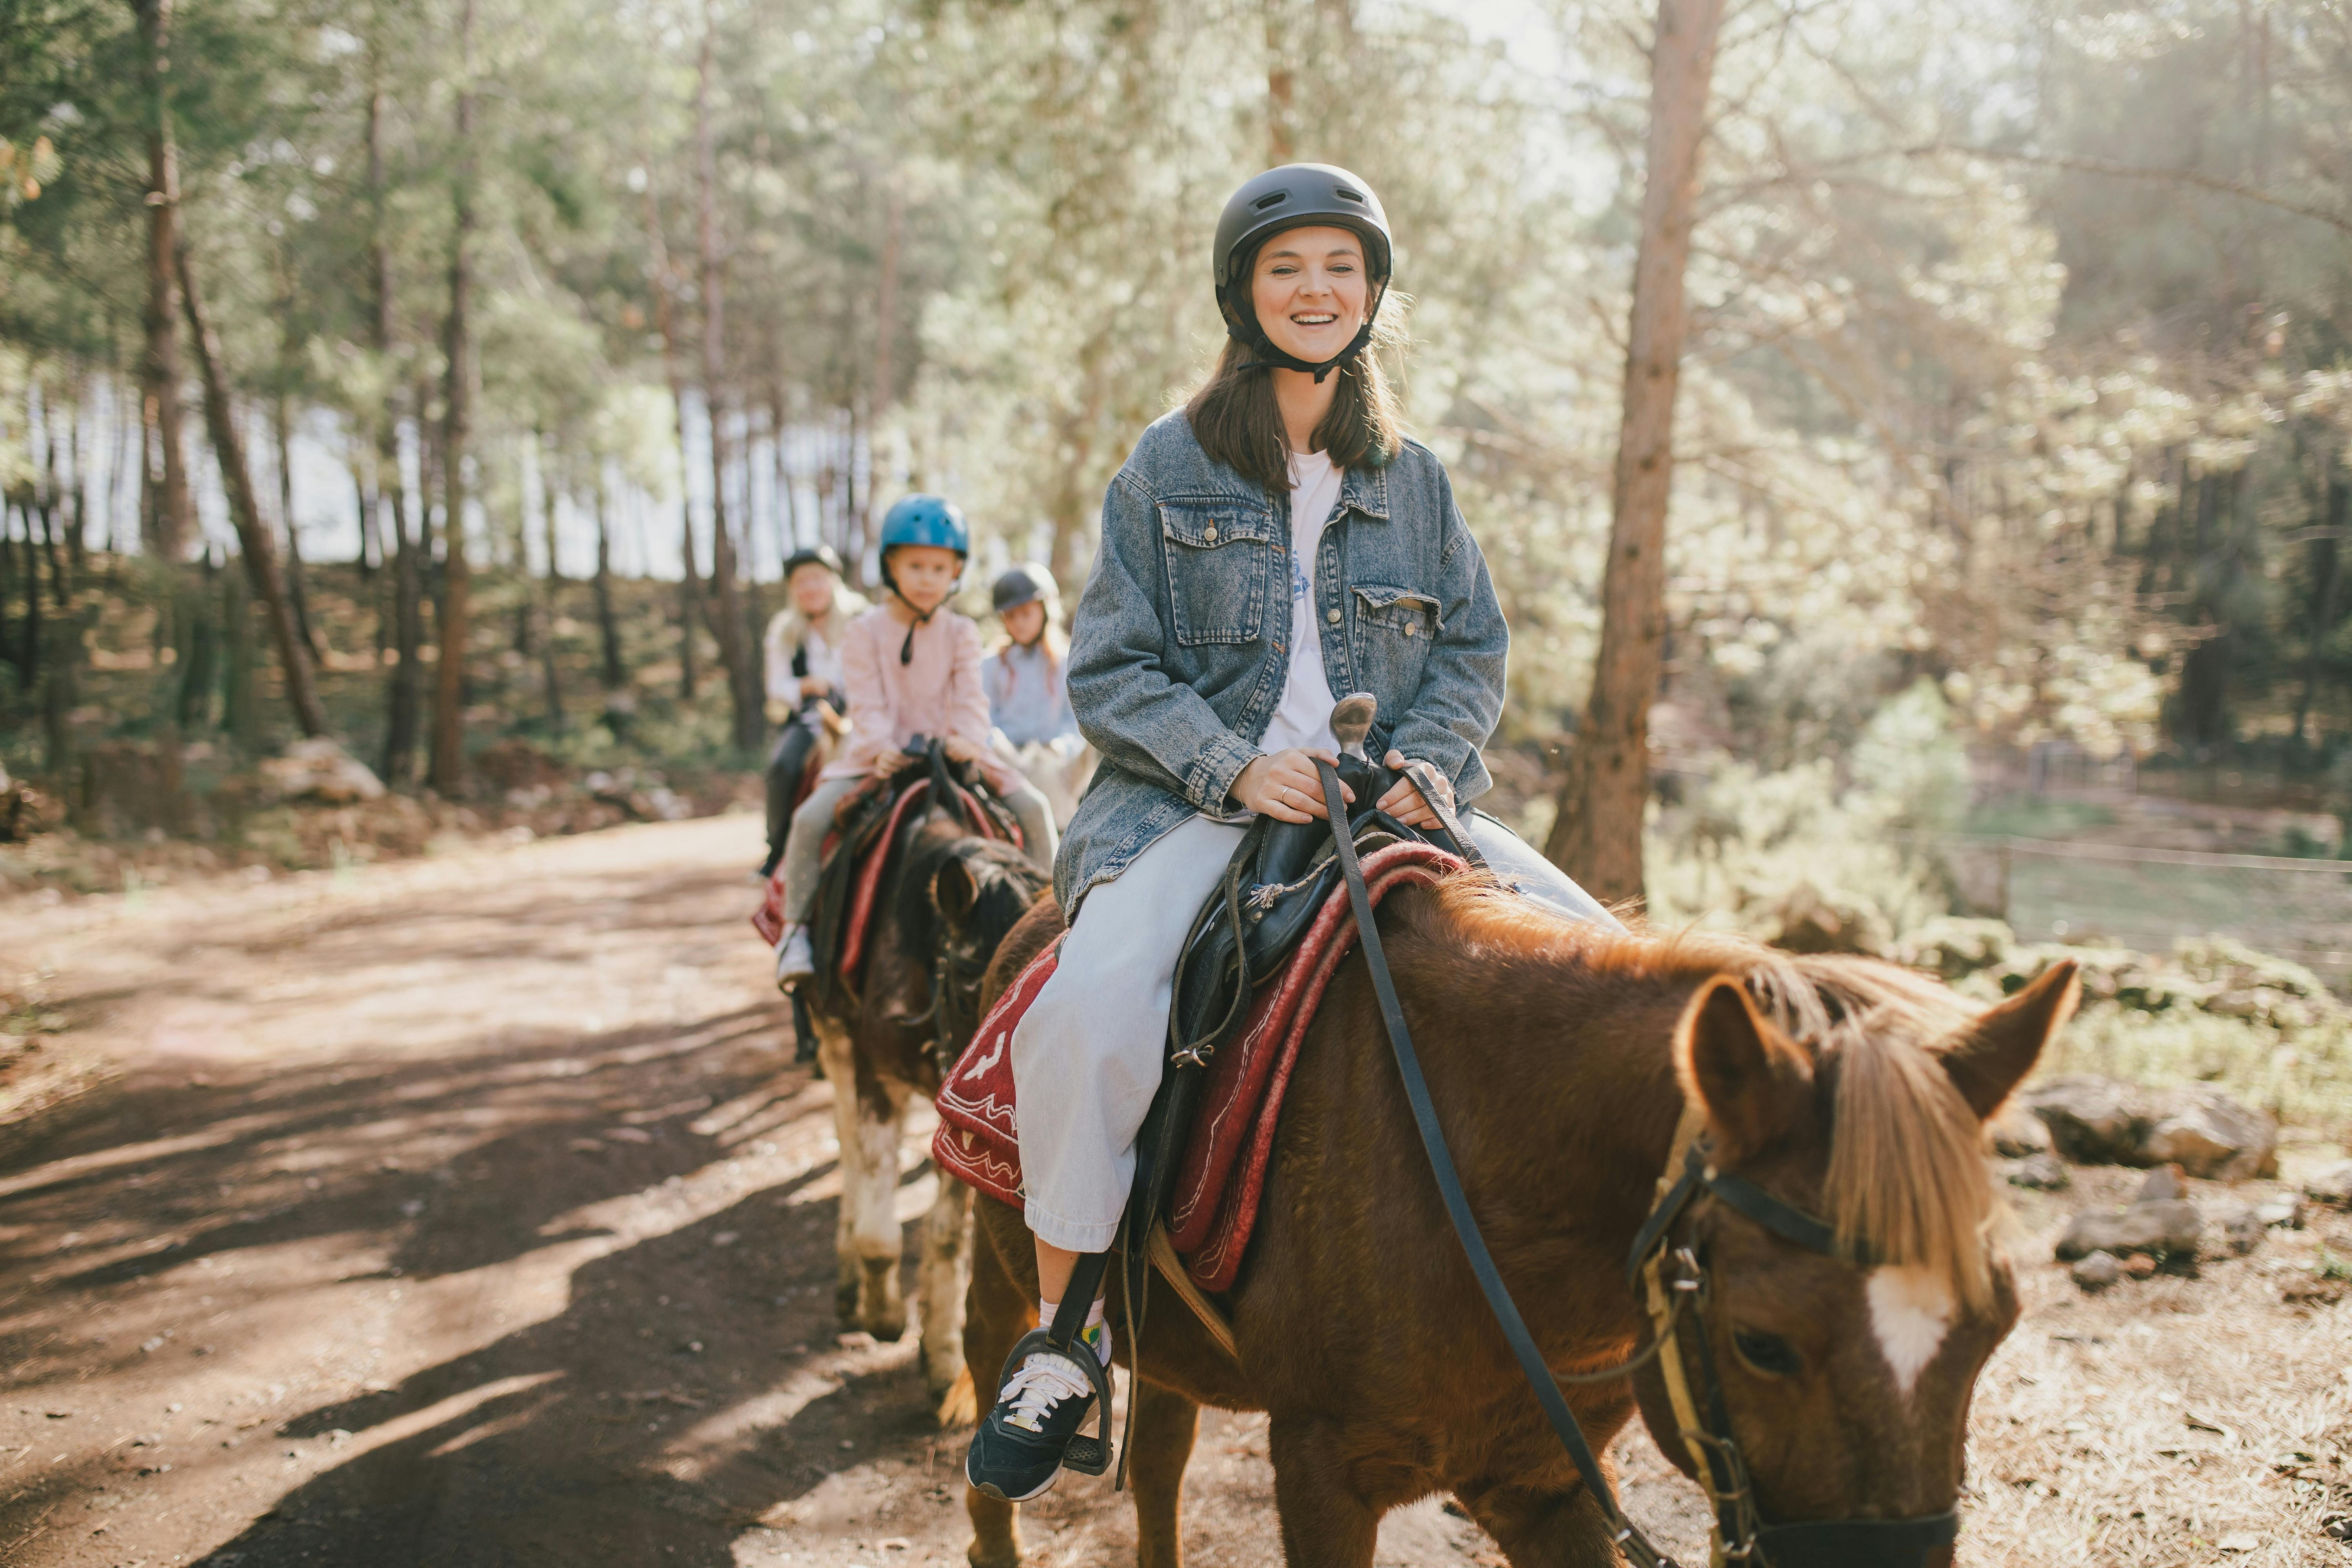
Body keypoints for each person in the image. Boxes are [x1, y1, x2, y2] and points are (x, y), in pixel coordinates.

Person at [964, 164, 1614, 1503]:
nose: (1316, 289)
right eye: (1287, 268)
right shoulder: (1168, 463)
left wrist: (1420, 769)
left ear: (1371, 294)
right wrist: (1234, 765)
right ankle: (1067, 1337)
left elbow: (1475, 653)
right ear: (1242, 294)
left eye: (1340, 267)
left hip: (1395, 803)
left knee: (1604, 964)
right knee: (1089, 1006)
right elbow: (1111, 669)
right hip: (1202, 803)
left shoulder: (1417, 482)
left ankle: (1634, 1319)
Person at [771, 495, 1059, 988]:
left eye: (940, 567)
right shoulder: (864, 631)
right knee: (809, 818)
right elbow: (865, 701)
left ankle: (1054, 924)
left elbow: (971, 696)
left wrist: (968, 738)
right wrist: (881, 745)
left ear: (956, 573)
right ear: (891, 566)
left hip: (952, 754)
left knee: (1033, 808)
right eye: (916, 566)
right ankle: (795, 930)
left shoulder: (963, 632)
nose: (928, 577)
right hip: (877, 757)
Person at [759, 546, 866, 880]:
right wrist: (806, 686)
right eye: (801, 582)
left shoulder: (861, 618)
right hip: (812, 716)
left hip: (864, 709)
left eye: (817, 580)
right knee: (783, 766)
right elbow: (777, 685)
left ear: (832, 581)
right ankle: (777, 847)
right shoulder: (785, 630)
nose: (810, 589)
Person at [982, 564, 1094, 828]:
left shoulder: (1068, 663)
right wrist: (1005, 749)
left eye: (1026, 613)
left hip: (1052, 758)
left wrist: (1059, 747)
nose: (1019, 623)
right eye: (1011, 616)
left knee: (1049, 773)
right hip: (1008, 756)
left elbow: (1075, 721)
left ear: (1045, 610)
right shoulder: (992, 664)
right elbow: (986, 718)